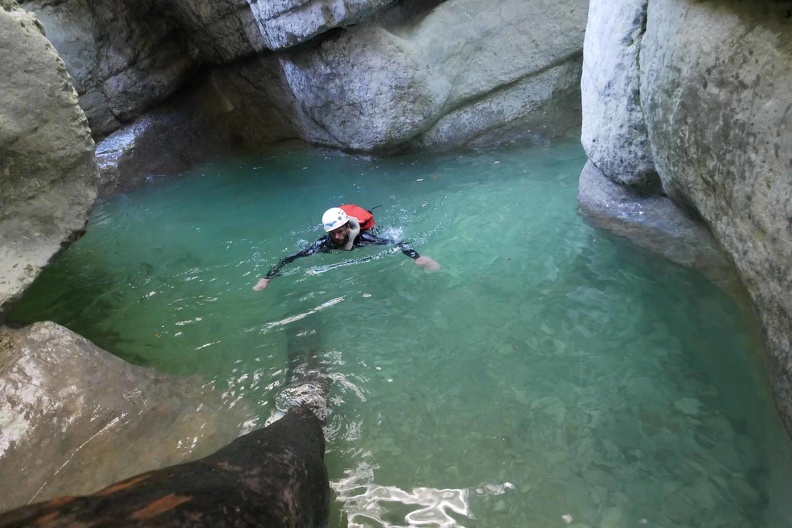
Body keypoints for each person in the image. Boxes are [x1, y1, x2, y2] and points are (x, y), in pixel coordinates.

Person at [253, 205, 440, 291]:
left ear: (347, 227)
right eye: (332, 233)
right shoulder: (323, 244)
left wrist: (417, 257)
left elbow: (399, 244)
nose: (336, 237)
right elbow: (290, 258)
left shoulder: (363, 238)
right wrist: (267, 277)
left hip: (366, 230)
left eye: (339, 232)